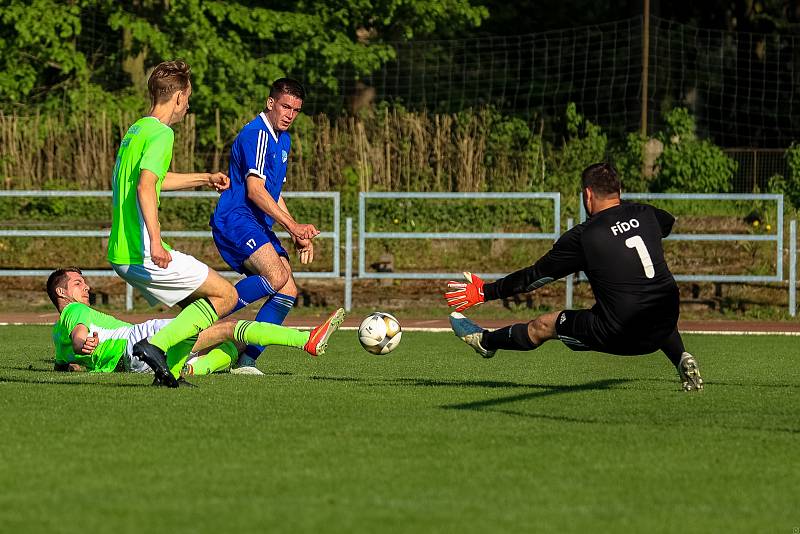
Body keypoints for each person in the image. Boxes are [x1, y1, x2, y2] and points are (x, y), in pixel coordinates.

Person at [444, 162, 704, 392]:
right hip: (665, 322)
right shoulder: (647, 214)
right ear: (620, 193)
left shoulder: (585, 236)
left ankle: (485, 341)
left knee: (544, 325)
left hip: (621, 333)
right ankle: (681, 356)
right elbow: (667, 222)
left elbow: (536, 277)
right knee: (652, 299)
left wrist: (485, 292)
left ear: (587, 194)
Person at [108, 59, 242, 387]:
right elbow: (144, 187)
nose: (189, 105)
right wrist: (155, 241)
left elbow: (154, 180)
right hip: (141, 250)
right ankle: (156, 347)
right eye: (189, 97)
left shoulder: (137, 129)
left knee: (197, 307)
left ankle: (168, 371)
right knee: (226, 296)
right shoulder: (163, 133)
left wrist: (204, 178)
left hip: (121, 252)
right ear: (179, 97)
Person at [47, 268, 344, 380]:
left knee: (232, 343)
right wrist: (82, 341)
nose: (85, 287)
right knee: (230, 327)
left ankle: (192, 368)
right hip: (143, 339)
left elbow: (68, 362)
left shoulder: (56, 332)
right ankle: (306, 339)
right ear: (62, 293)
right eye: (77, 283)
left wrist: (81, 355)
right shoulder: (73, 312)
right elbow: (79, 333)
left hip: (131, 362)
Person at [210, 78, 320, 375]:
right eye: (285, 106)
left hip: (255, 221)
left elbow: (273, 194)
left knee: (287, 289)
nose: (290, 114)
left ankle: (245, 361)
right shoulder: (256, 134)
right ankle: (203, 318)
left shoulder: (283, 139)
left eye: (296, 110)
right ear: (270, 103)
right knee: (275, 273)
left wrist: (292, 230)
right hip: (236, 218)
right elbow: (255, 190)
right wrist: (294, 226)